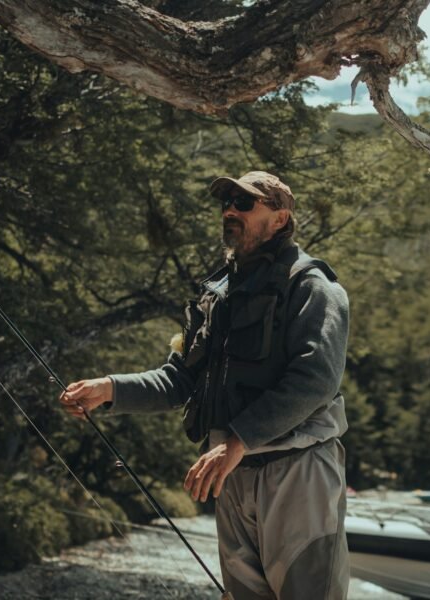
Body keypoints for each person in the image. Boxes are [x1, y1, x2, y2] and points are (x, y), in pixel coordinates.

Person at [59, 171, 350, 600]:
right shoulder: (218, 295)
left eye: (245, 203)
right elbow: (181, 379)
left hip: (296, 473)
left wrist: (237, 442)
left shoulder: (313, 288)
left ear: (280, 218)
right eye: (227, 202)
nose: (230, 210)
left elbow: (316, 381)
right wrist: (109, 389)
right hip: (229, 475)